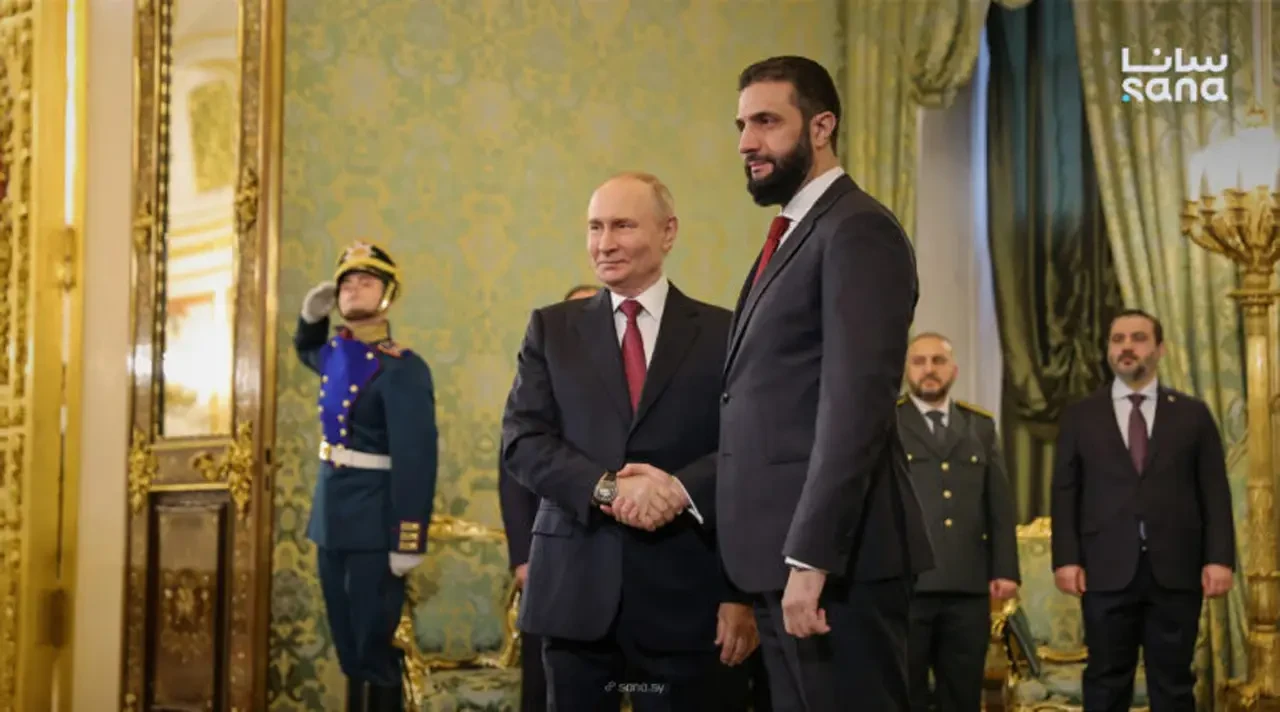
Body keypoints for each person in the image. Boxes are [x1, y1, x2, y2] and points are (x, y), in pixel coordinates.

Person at [716, 55, 935, 712]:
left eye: (766, 122)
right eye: (741, 125)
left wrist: (811, 558)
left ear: (821, 126)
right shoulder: (793, 234)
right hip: (782, 562)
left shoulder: (858, 228)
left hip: (838, 567)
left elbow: (856, 407)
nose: (747, 142)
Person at [502, 172, 758, 711]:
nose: (604, 243)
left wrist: (681, 492)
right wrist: (608, 489)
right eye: (595, 227)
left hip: (689, 597)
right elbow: (523, 441)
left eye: (622, 225)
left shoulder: (725, 332)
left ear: (668, 232)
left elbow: (749, 447)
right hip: (575, 597)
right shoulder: (551, 329)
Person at [1051, 309, 1235, 712]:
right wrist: (1066, 559)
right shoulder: (1082, 415)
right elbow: (1065, 492)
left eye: (1138, 338)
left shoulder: (1192, 414)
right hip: (1105, 569)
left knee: (1173, 682)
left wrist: (1219, 559)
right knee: (1105, 680)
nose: (1126, 347)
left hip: (1175, 569)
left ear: (1159, 349)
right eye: (1117, 339)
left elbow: (1214, 492)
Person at [295, 241, 439, 712]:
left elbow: (417, 459)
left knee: (374, 649)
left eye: (366, 281)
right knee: (348, 648)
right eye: (346, 283)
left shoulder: (403, 368)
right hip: (332, 518)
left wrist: (408, 538)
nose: (354, 289)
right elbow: (307, 349)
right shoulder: (337, 354)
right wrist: (311, 318)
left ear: (388, 294)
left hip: (375, 524)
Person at [897, 332, 1019, 712]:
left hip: (967, 586)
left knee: (962, 692)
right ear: (906, 370)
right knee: (906, 692)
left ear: (954, 370)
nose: (929, 370)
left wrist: (1005, 569)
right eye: (919, 361)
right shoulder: (889, 423)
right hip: (906, 584)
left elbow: (998, 504)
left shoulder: (979, 426)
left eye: (938, 361)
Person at [498, 283, 599, 712]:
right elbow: (512, 479)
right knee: (544, 684)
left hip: (614, 555)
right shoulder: (540, 379)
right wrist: (523, 557)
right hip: (548, 556)